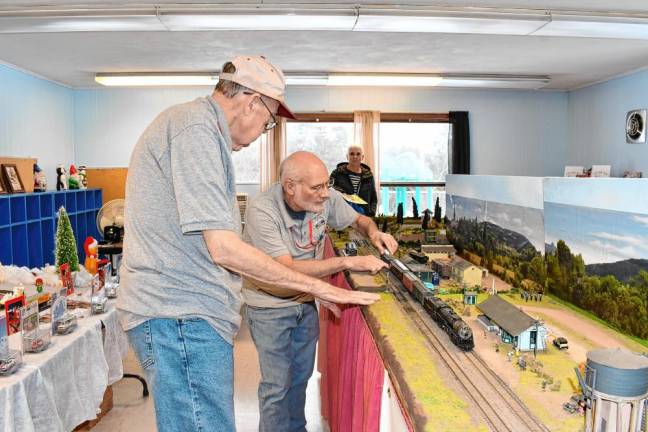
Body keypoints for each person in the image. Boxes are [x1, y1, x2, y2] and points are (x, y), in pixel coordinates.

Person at [117, 55, 380, 432]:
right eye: (269, 120)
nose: (264, 130)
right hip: (180, 314)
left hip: (187, 314)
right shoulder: (195, 130)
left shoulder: (201, 131)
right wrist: (321, 288)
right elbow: (223, 247)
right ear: (251, 101)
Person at [243, 151, 398, 432]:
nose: (325, 193)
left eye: (326, 184)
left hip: (305, 303)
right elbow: (286, 271)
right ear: (290, 186)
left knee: (300, 378)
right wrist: (347, 261)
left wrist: (374, 234)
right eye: (317, 187)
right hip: (269, 307)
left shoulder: (324, 198)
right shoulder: (262, 211)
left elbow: (360, 221)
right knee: (277, 386)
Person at [329, 145, 378, 216]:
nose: (355, 157)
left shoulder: (368, 175)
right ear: (347, 156)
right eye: (352, 154)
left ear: (362, 157)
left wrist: (371, 213)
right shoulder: (337, 173)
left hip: (363, 216)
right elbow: (329, 191)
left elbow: (373, 198)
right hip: (342, 215)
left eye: (358, 154)